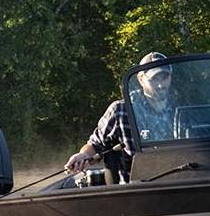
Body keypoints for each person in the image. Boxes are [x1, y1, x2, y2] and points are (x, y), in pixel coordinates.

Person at [64, 52, 174, 181]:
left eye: (164, 77)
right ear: (141, 79)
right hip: (137, 189)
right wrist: (82, 155)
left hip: (179, 182)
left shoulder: (184, 108)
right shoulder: (121, 110)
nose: (161, 85)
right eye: (154, 79)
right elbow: (95, 145)